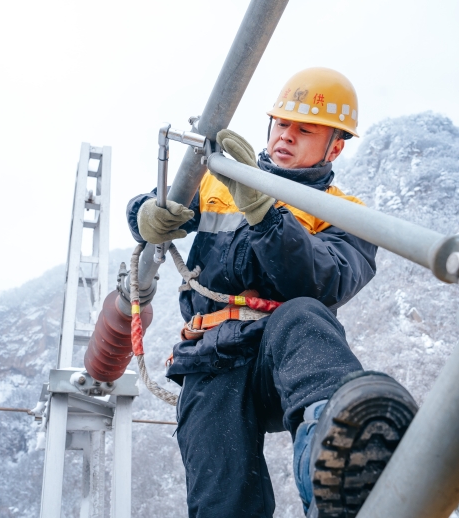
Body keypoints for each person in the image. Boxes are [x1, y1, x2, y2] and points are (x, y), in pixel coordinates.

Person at [127, 68, 418, 518]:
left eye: (305, 129)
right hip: (211, 358)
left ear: (334, 146)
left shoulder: (345, 214)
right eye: (281, 124)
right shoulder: (217, 182)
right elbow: (162, 205)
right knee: (222, 500)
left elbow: (325, 282)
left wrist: (267, 215)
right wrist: (144, 212)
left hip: (279, 358)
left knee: (302, 315)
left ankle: (335, 465)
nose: (286, 136)